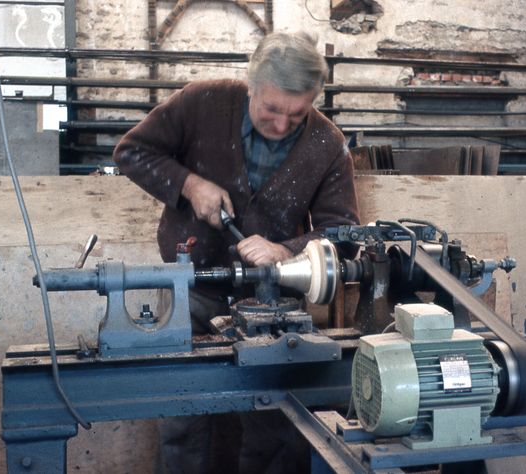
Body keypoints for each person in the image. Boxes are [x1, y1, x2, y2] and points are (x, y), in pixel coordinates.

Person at [113, 31, 359, 474]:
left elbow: (341, 231)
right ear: (252, 84)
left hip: (273, 302)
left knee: (276, 424)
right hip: (191, 292)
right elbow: (131, 152)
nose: (282, 124)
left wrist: (285, 249)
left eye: (296, 113)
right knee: (184, 420)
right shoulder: (202, 102)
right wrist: (190, 185)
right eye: (271, 109)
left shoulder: (327, 144)